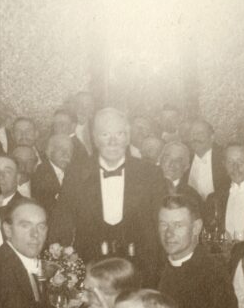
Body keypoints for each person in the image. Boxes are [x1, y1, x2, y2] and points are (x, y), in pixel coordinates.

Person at [58, 106, 168, 270]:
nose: (112, 141)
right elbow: (63, 225)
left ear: (128, 137)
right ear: (95, 138)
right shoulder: (75, 175)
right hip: (90, 270)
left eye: (119, 134)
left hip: (140, 270)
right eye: (105, 134)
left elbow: (161, 226)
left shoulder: (151, 174)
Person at [146, 195, 224, 308]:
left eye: (178, 225)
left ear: (196, 228)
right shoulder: (153, 270)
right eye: (163, 225)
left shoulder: (213, 275)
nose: (168, 233)